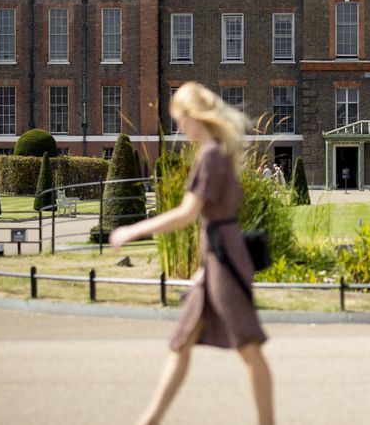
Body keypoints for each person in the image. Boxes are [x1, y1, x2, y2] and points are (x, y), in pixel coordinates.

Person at [110, 81, 273, 425]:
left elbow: (188, 213)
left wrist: (133, 229)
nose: (179, 126)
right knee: (181, 343)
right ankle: (149, 420)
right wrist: (203, 268)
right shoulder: (213, 152)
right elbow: (210, 222)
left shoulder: (212, 155)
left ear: (195, 115)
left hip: (225, 263)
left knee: (248, 347)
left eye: (181, 117)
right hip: (215, 263)